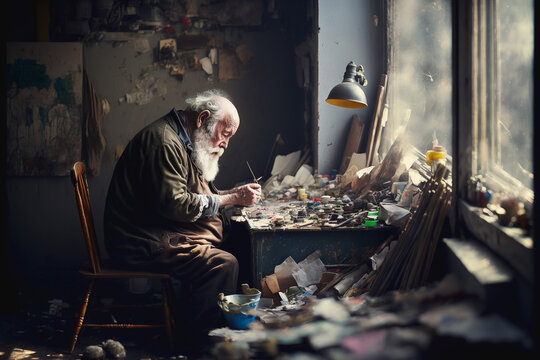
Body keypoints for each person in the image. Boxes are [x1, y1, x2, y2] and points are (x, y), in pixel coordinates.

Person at [103, 89, 261, 350]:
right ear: (202, 119)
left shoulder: (185, 140)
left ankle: (197, 322)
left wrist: (234, 194)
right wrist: (232, 200)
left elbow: (197, 194)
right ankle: (199, 343)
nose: (225, 144)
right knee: (223, 264)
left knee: (235, 237)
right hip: (138, 240)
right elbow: (176, 204)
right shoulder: (165, 143)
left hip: (156, 228)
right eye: (225, 134)